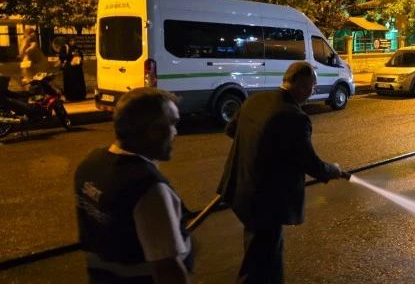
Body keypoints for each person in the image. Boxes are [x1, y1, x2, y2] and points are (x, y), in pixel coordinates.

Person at [218, 61, 348, 284]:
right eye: (311, 87)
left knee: (259, 249)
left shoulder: (256, 99)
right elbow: (311, 165)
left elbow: (231, 130)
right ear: (299, 85)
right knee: (263, 261)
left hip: (239, 188)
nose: (312, 92)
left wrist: (260, 150)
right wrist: (333, 170)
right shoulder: (295, 117)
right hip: (265, 200)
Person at [74, 87, 193, 284]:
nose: (175, 132)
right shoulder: (148, 189)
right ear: (152, 130)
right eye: (172, 124)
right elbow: (167, 271)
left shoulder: (90, 163)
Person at [54, 36, 87, 101]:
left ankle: (80, 96)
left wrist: (78, 56)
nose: (72, 42)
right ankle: (70, 97)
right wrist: (71, 55)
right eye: (70, 41)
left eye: (73, 40)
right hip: (68, 69)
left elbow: (81, 56)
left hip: (77, 69)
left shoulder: (76, 48)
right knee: (70, 83)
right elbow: (62, 57)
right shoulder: (64, 47)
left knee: (79, 82)